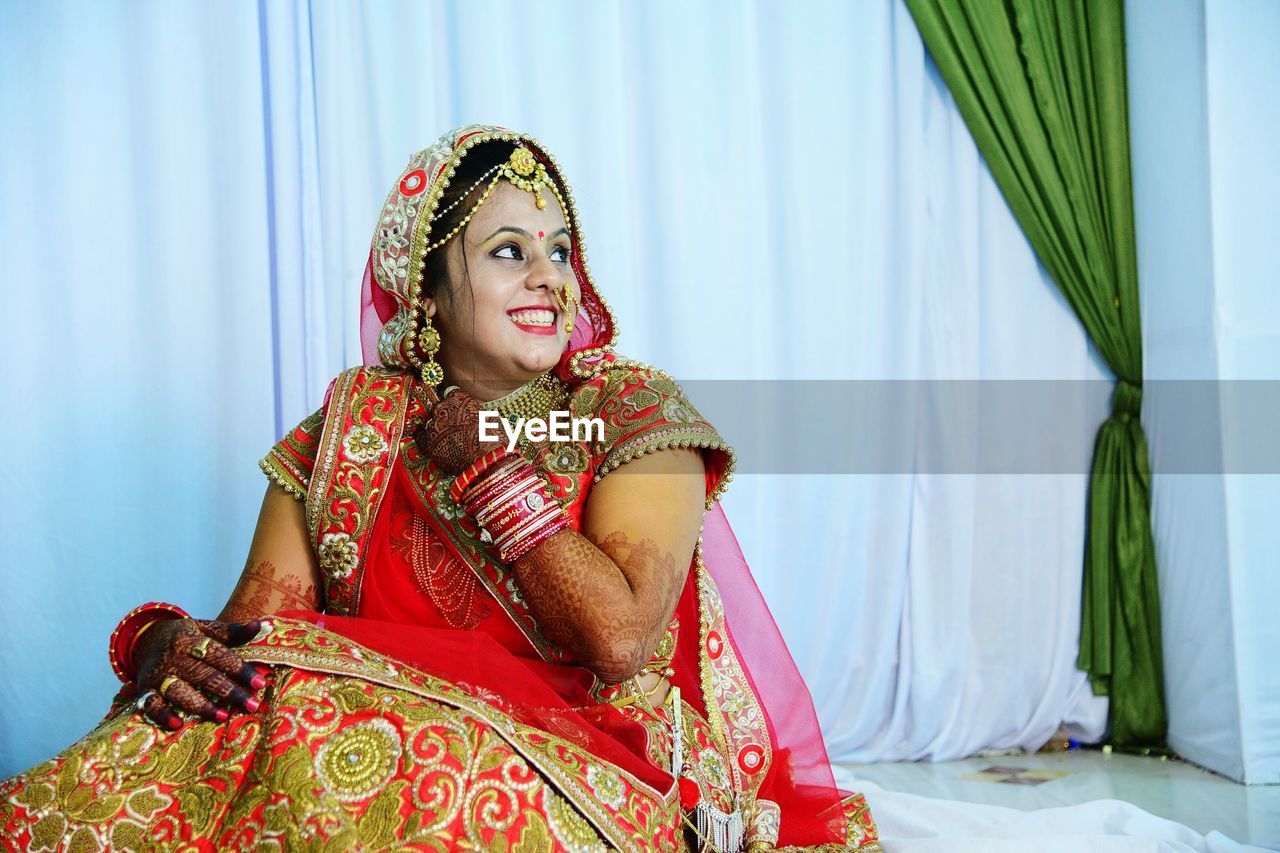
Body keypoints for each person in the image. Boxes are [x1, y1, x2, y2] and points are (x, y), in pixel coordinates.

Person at [0, 125, 879, 852]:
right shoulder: (354, 430)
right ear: (423, 299)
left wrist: (489, 469)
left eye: (561, 250)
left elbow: (616, 637)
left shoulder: (629, 411)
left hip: (611, 767)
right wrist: (168, 645)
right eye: (509, 250)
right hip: (363, 763)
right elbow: (259, 649)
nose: (550, 275)